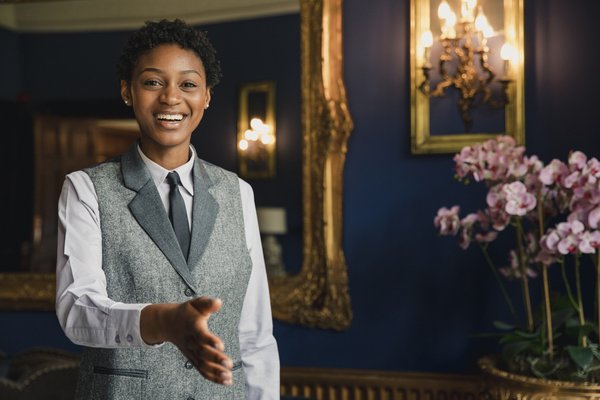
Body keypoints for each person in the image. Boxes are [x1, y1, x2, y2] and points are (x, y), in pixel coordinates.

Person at [55, 19, 279, 399]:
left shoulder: (238, 192)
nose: (171, 98)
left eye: (188, 84)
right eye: (153, 82)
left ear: (206, 96)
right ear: (128, 91)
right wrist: (162, 321)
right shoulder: (86, 189)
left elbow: (254, 333)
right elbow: (77, 310)